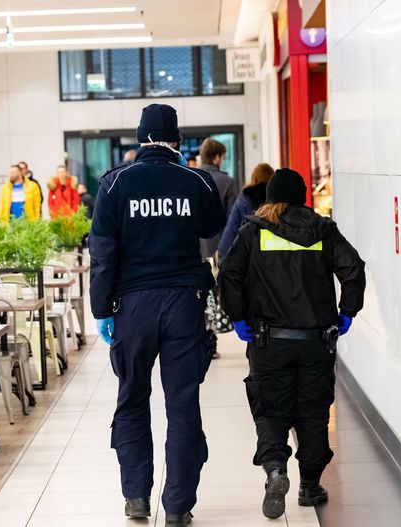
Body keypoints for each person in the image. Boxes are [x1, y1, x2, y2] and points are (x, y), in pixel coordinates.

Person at [89, 104, 225, 527]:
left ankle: (136, 497)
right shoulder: (195, 180)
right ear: (177, 140)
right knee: (182, 403)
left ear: (140, 137)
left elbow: (102, 253)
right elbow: (211, 226)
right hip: (184, 303)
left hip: (133, 307)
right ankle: (178, 506)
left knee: (132, 397)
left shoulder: (115, 183)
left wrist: (101, 309)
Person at [217, 168, 366, 519]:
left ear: (269, 196)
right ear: (302, 196)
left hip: (268, 342)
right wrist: (347, 312)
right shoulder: (323, 230)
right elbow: (353, 268)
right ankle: (309, 486)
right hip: (316, 342)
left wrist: (238, 317)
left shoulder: (254, 231)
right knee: (313, 413)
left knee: (271, 410)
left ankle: (275, 470)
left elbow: (229, 273)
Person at [217, 163, 275, 259]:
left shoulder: (244, 199)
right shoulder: (277, 202)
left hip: (249, 257)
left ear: (254, 178)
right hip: (274, 257)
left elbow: (231, 231)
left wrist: (221, 255)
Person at [198, 138, 237, 261]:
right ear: (217, 158)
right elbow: (233, 221)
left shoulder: (189, 179)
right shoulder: (228, 182)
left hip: (194, 252)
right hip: (220, 253)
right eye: (223, 157)